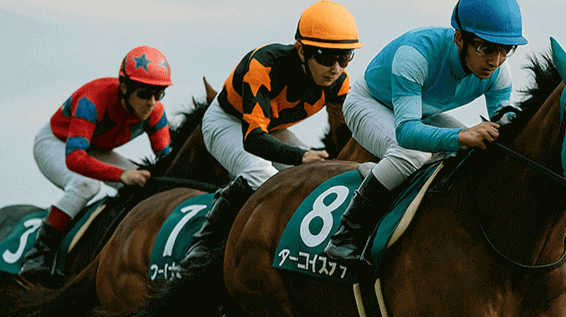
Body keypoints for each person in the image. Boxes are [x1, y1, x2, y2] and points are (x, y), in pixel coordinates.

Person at [323, 0, 527, 265]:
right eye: (485, 48)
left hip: (421, 111)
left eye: (505, 50)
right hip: (370, 103)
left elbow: (504, 127)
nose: (495, 61)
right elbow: (407, 133)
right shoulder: (415, 53)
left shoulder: (499, 73)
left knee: (472, 151)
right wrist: (460, 136)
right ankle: (345, 236)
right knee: (411, 155)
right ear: (459, 38)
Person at [184, 0, 362, 263]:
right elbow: (253, 139)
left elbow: (346, 138)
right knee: (262, 174)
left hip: (273, 130)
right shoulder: (264, 64)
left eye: (344, 57)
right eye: (325, 57)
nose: (335, 69)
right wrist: (300, 156)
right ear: (301, 50)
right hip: (227, 122)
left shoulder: (339, 83)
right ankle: (203, 245)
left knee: (315, 177)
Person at [20, 45, 173, 283]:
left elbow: (167, 159)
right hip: (57, 143)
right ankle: (37, 255)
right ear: (124, 87)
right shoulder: (92, 100)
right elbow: (74, 158)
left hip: (96, 149)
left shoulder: (155, 112)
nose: (151, 103)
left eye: (158, 95)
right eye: (144, 94)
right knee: (86, 186)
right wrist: (121, 175)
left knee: (145, 185)